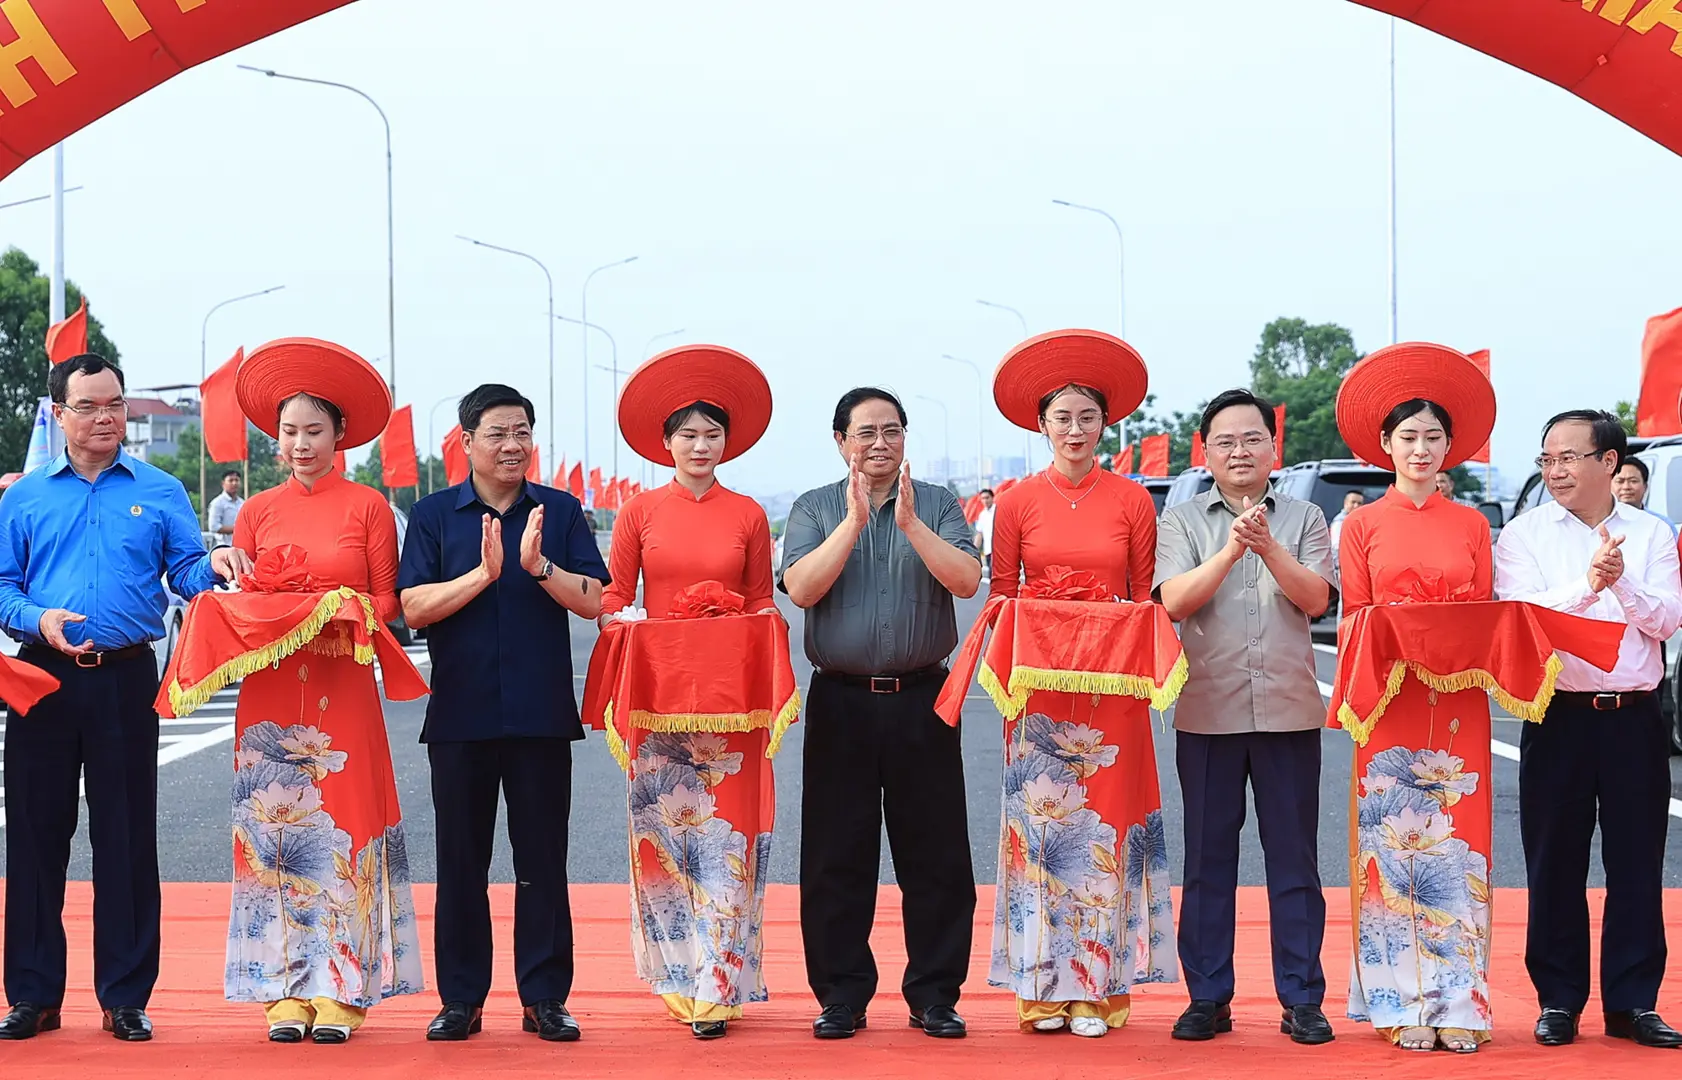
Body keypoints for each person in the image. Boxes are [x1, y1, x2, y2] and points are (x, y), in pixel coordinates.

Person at [0, 353, 249, 1042]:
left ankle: (125, 996)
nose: (108, 416)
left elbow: (188, 569)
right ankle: (33, 994)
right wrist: (34, 620)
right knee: (35, 837)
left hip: (126, 676)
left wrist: (217, 566)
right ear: (58, 414)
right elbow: (3, 586)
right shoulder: (24, 497)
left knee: (128, 840)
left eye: (117, 404)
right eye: (90, 406)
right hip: (41, 678)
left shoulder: (161, 490)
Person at [219, 338, 425, 1042]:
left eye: (313, 431)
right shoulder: (256, 511)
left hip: (342, 684)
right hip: (271, 691)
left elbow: (388, 603)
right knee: (272, 830)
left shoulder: (368, 507)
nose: (300, 444)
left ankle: (344, 985)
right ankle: (282, 987)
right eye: (289, 432)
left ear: (340, 436)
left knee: (346, 824)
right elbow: (243, 596)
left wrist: (332, 602)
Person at [398, 384, 609, 1043]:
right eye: (497, 433)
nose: (512, 445)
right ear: (466, 443)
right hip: (460, 716)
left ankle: (545, 996)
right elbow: (412, 609)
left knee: (541, 861)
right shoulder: (433, 516)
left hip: (541, 715)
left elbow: (594, 599)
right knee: (461, 863)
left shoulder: (561, 511)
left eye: (522, 432)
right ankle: (461, 999)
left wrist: (538, 566)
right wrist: (481, 577)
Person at [984, 330, 1176, 1038]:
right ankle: (1040, 987)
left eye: (1086, 418)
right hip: (1037, 695)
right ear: (1041, 425)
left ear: (1105, 425)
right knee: (1042, 834)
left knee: (1106, 834)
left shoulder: (1132, 500)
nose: (1074, 429)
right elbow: (1001, 598)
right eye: (1061, 418)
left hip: (1113, 694)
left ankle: (1098, 989)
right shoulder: (1015, 502)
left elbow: (1143, 598)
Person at [589, 346, 786, 1039]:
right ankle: (677, 974)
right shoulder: (639, 512)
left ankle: (721, 977)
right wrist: (631, 623)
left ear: (726, 442)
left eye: (712, 435)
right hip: (661, 701)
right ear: (666, 442)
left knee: (730, 838)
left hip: (732, 708)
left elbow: (762, 602)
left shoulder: (749, 514)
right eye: (688, 435)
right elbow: (616, 597)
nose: (701, 446)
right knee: (666, 839)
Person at [779, 387, 980, 1041]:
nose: (880, 444)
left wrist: (913, 524)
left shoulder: (941, 504)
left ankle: (935, 995)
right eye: (865, 433)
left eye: (891, 431)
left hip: (925, 698)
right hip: (841, 701)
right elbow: (802, 589)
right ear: (841, 441)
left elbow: (965, 582)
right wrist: (855, 521)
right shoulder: (813, 508)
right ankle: (842, 994)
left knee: (937, 854)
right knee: (838, 854)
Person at [1494, 409, 1682, 1049]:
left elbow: (1666, 620)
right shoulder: (1523, 535)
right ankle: (1559, 999)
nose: (1556, 470)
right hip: (1559, 716)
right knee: (1554, 863)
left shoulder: (1652, 534)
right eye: (1547, 459)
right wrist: (1586, 584)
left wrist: (1621, 583)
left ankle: (1634, 1002)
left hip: (1633, 718)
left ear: (1609, 463)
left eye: (1570, 457)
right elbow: (1521, 615)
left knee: (1637, 863)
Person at [1153, 388, 1336, 1045]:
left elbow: (1316, 600)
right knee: (1207, 864)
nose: (1239, 450)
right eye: (1225, 441)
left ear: (1272, 448)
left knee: (1295, 863)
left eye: (1251, 438)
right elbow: (1172, 601)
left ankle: (1302, 998)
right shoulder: (1180, 523)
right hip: (1208, 711)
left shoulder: (1306, 519)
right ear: (1205, 453)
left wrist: (1267, 547)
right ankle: (1208, 996)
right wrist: (1230, 551)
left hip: (1288, 713)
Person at [1331, 343, 1497, 1053]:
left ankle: (1461, 1001)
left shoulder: (1474, 525)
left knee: (1457, 848)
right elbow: (1350, 619)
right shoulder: (1362, 524)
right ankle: (1399, 997)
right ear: (1386, 446)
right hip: (1390, 699)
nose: (1422, 448)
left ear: (1451, 446)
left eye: (1434, 437)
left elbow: (1488, 612)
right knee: (1391, 848)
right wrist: (1399, 633)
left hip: (1457, 701)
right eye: (1409, 438)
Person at [1612, 456, 1677, 536]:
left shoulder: (1662, 525)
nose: (1626, 487)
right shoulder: (1601, 522)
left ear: (1645, 486)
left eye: (1633, 481)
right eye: (1620, 481)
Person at [207, 469, 244, 548]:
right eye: (230, 480)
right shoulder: (217, 503)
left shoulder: (242, 503)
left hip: (240, 547)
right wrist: (237, 529)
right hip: (223, 547)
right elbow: (214, 527)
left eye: (236, 480)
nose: (234, 483)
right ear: (223, 483)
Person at [1328, 490, 1364, 565]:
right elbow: (1337, 546)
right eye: (1353, 502)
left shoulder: (1361, 521)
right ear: (1345, 503)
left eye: (1359, 503)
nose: (1356, 506)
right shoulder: (1340, 522)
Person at [973, 488, 996, 577]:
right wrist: (973, 550)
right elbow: (979, 534)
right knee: (992, 577)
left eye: (987, 497)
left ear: (992, 498)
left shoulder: (998, 511)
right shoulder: (982, 515)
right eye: (983, 498)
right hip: (988, 550)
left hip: (999, 550)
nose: (985, 500)